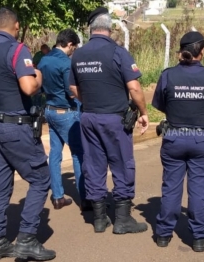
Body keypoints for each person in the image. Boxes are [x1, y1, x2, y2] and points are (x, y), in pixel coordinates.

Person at [0, 7, 56, 261]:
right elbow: (28, 87)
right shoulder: (17, 49)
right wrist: (38, 76)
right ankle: (26, 239)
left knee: (1, 185)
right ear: (15, 26)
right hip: (15, 127)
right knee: (40, 179)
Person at [69, 7, 149, 234]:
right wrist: (143, 112)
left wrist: (91, 102)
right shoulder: (118, 52)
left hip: (88, 117)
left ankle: (99, 219)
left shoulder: (79, 55)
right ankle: (122, 220)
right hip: (114, 119)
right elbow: (134, 87)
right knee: (122, 164)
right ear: (111, 28)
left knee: (94, 165)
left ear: (91, 29)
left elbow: (73, 87)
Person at [151, 31, 204, 252]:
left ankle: (163, 234)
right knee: (198, 188)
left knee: (171, 187)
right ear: (201, 52)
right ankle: (199, 238)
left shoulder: (167, 75)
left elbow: (163, 104)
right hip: (202, 139)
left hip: (174, 137)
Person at [38, 29, 91, 211]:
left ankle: (58, 196)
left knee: (55, 154)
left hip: (50, 110)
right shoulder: (66, 63)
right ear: (69, 44)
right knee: (78, 153)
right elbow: (71, 91)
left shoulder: (43, 59)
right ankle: (84, 199)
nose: (73, 51)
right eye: (73, 48)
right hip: (67, 112)